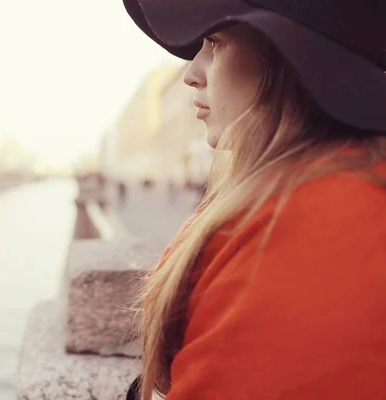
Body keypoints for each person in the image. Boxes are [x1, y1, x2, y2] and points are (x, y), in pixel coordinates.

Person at [122, 0, 386, 399]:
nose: (191, 75)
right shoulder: (333, 191)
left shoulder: (301, 237)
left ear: (286, 57)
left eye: (214, 42)